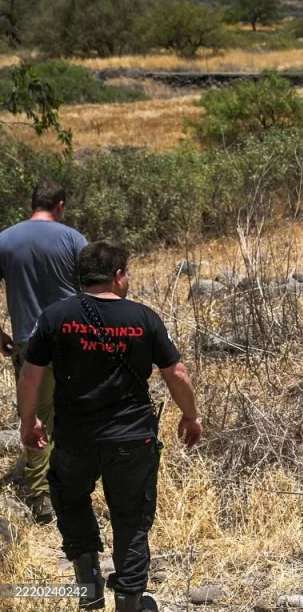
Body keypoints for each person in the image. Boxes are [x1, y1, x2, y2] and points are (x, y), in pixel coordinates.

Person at [18, 241, 202, 612]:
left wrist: (28, 421)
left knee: (70, 502)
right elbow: (176, 374)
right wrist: (191, 415)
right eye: (127, 273)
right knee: (131, 519)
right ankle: (129, 603)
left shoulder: (56, 317)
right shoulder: (144, 319)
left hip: (74, 438)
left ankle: (89, 586)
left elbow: (29, 374)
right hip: (132, 438)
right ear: (118, 276)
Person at [0, 179, 87, 523]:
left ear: (32, 203)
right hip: (73, 340)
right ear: (60, 205)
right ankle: (75, 485)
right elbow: (97, 288)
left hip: (28, 342)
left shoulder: (5, 240)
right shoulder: (73, 239)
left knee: (35, 418)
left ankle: (41, 497)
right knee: (77, 412)